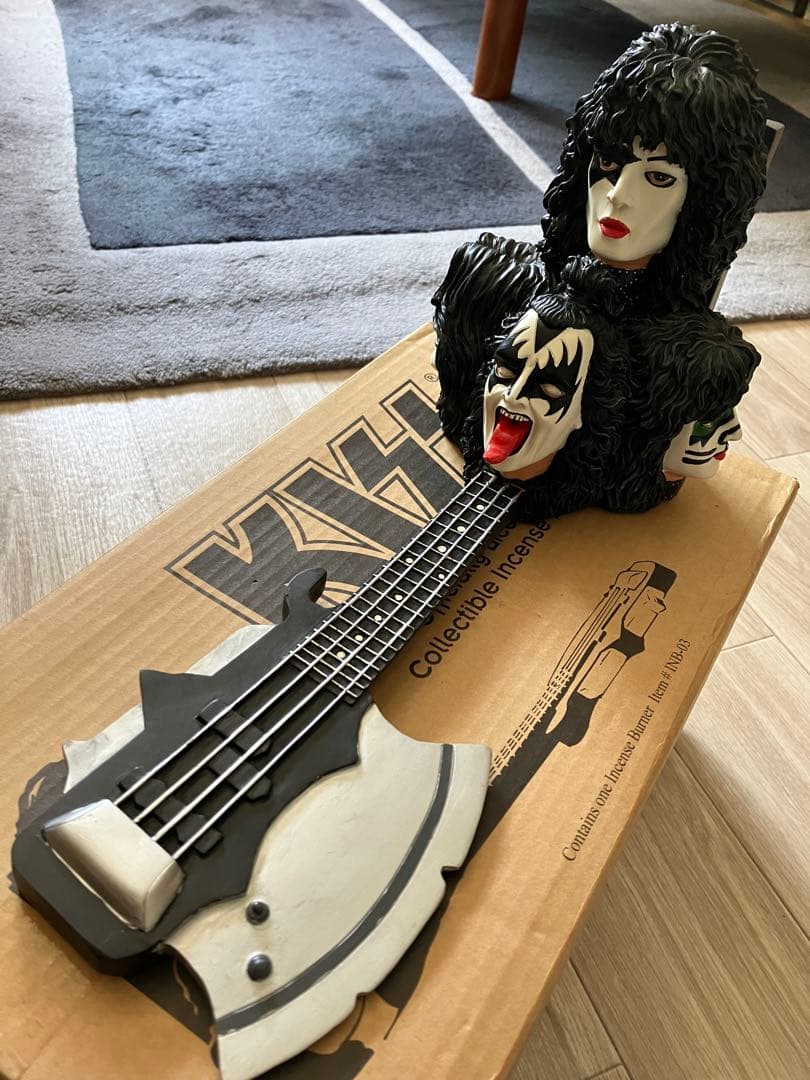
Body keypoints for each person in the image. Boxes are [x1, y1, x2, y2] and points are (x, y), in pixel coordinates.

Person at [433, 23, 768, 517]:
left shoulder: (688, 360)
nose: (618, 196)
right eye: (609, 163)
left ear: (703, 201)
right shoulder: (490, 281)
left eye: (658, 177)